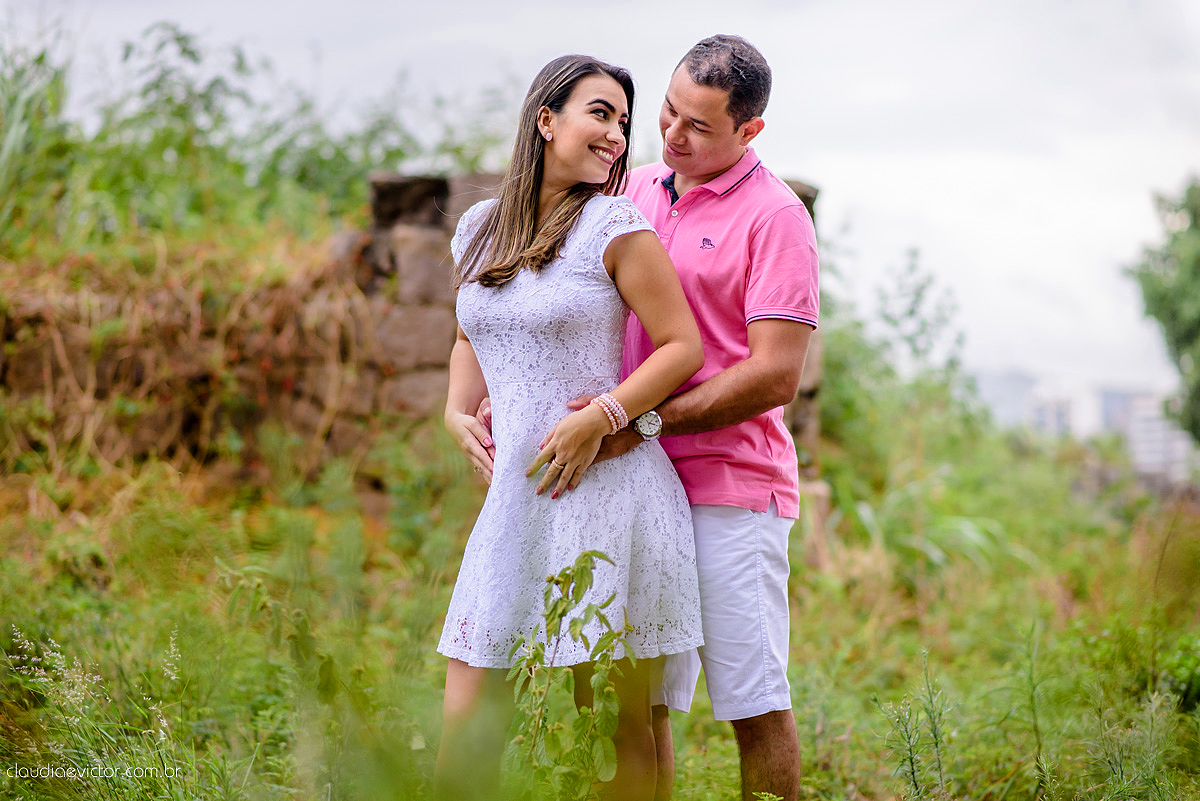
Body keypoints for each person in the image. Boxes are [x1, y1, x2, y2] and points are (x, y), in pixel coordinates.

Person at [475, 35, 818, 800]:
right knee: (631, 697)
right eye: (665, 111)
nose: (670, 134)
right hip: (621, 482)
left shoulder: (778, 217)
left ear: (749, 130)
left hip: (727, 483)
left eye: (698, 125)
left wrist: (635, 423)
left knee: (751, 698)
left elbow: (775, 373)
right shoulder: (625, 189)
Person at [434, 54, 706, 801]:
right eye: (600, 112)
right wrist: (458, 409)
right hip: (516, 501)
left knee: (613, 729)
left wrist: (605, 415)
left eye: (622, 120)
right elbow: (469, 336)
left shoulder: (613, 224)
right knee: (470, 706)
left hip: (608, 495)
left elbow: (684, 344)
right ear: (545, 119)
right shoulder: (478, 229)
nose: (617, 133)